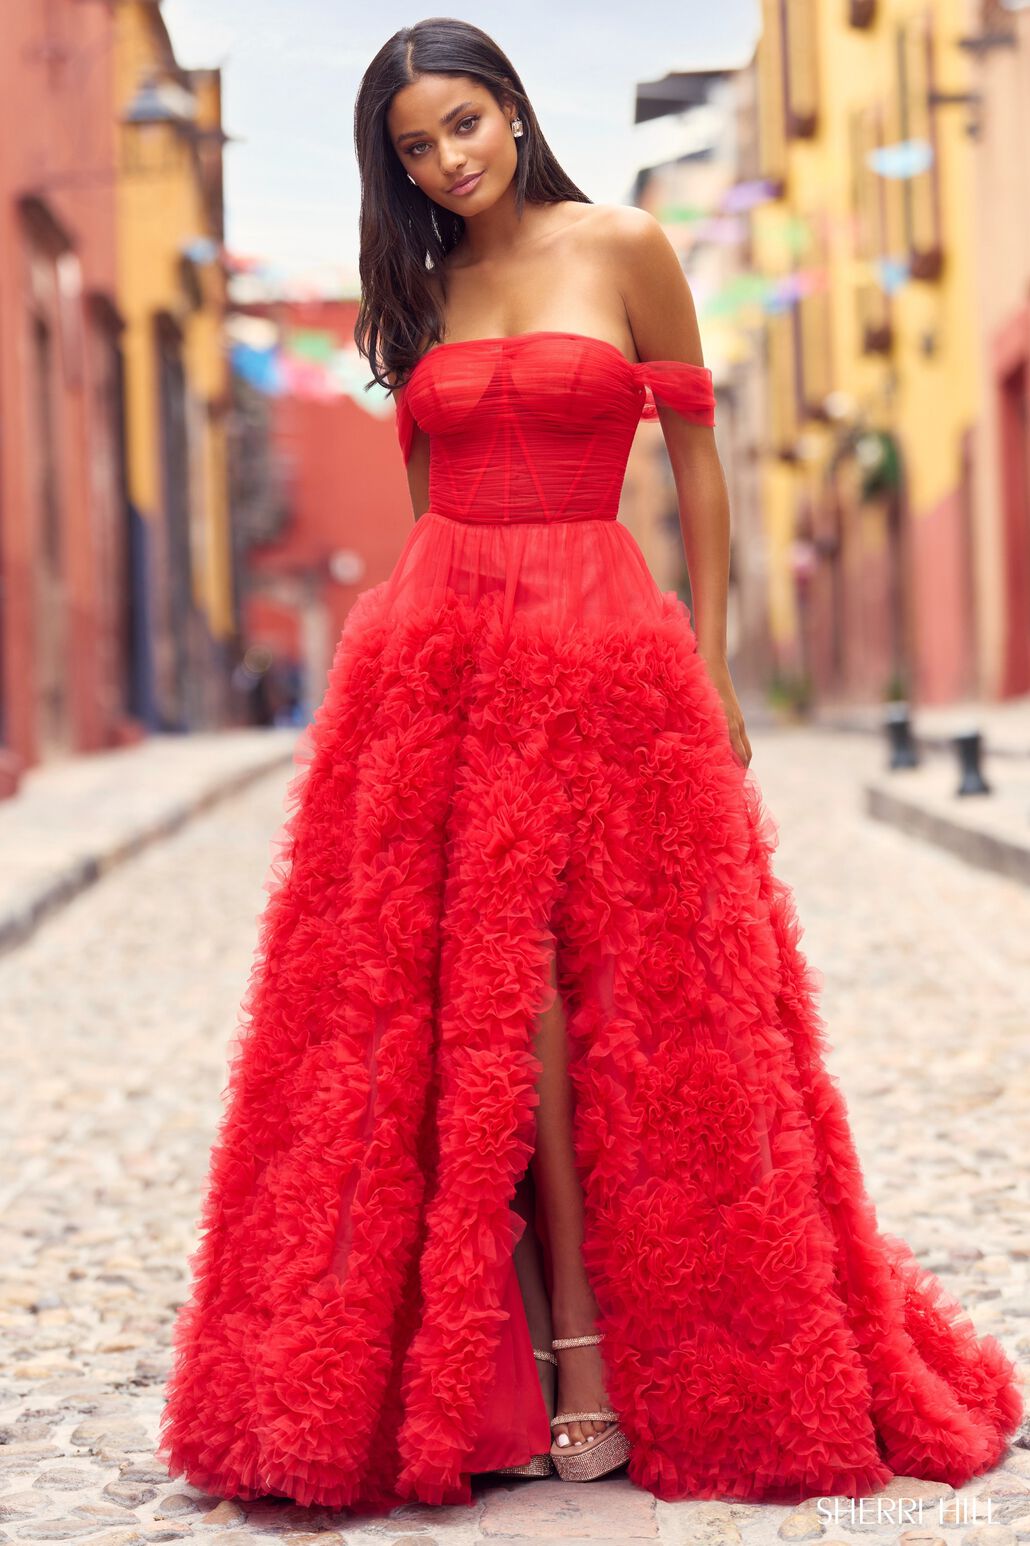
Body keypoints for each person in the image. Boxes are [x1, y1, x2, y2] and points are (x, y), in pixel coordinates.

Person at [156, 15, 1023, 1519]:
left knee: (630, 998)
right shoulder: (415, 288)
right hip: (441, 663)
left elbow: (695, 471)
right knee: (480, 1012)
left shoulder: (624, 244)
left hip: (610, 648)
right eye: (414, 148)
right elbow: (427, 498)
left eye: (462, 125)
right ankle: (544, 1367)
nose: (446, 161)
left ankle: (627, 1357)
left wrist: (717, 661)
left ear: (511, 108)